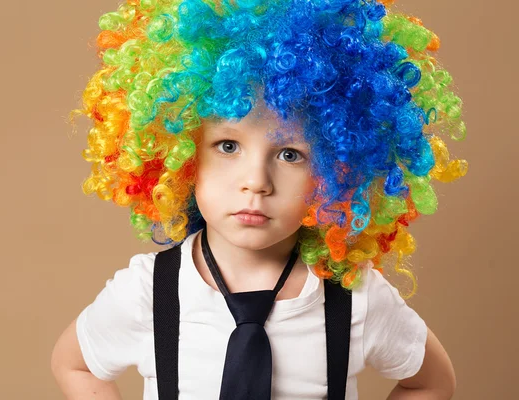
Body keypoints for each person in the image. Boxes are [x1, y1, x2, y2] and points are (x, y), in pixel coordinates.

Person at [51, 0, 465, 398]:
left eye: (290, 155)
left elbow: (432, 382)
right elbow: (74, 363)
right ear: (182, 157)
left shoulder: (357, 297)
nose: (256, 182)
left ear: (336, 173)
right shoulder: (148, 291)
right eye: (228, 146)